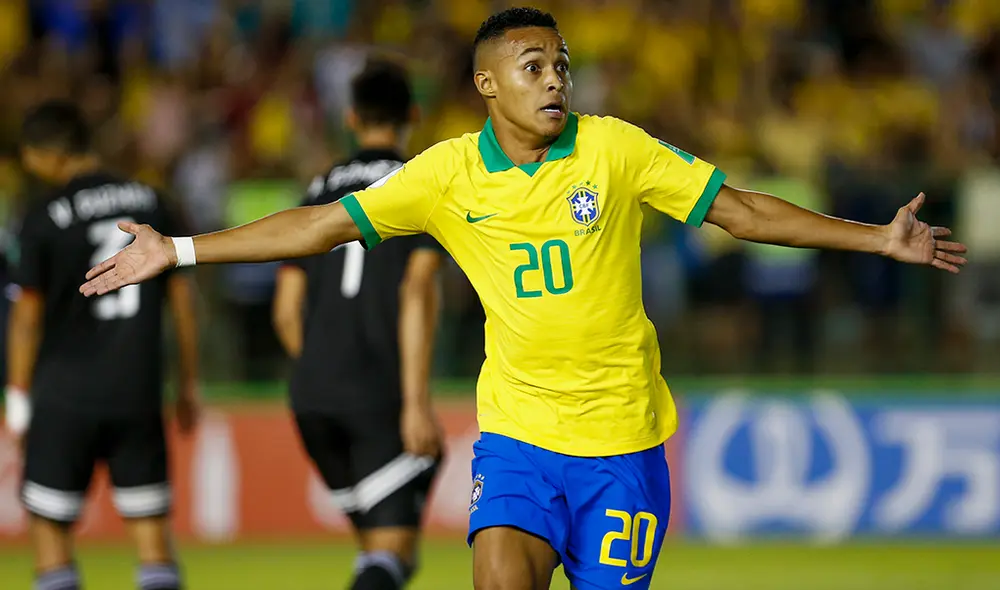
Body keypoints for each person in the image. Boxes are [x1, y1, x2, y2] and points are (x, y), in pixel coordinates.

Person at [79, 7, 968, 590]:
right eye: (532, 64)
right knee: (500, 580)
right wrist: (182, 248)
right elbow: (319, 227)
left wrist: (873, 236)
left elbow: (738, 210)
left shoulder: (615, 149)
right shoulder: (447, 175)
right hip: (519, 441)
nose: (554, 78)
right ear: (487, 84)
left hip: (624, 445)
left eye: (562, 64)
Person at [6, 100, 199, 590]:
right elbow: (184, 302)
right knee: (152, 538)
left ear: (46, 153)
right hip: (136, 389)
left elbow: (26, 318)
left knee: (51, 533)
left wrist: (18, 399)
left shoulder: (43, 214)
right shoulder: (152, 201)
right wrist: (188, 383)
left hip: (63, 394)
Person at [271, 58, 445, 590]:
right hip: (378, 391)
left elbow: (284, 309)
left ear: (351, 118)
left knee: (382, 552)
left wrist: (320, 369)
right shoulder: (421, 185)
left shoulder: (319, 188)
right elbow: (417, 290)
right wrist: (416, 402)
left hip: (311, 393)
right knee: (392, 551)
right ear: (412, 115)